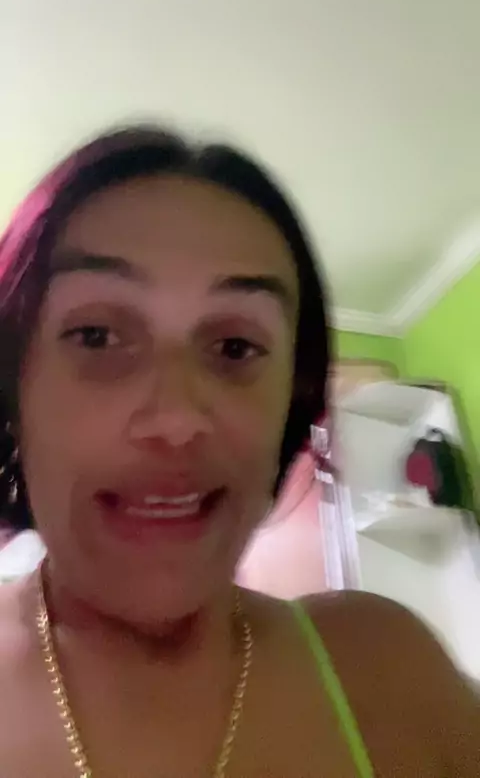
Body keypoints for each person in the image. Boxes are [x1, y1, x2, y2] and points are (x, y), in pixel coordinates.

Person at [0, 126, 477, 778]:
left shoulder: (389, 669)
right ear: (14, 392)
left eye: (235, 348)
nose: (176, 420)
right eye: (96, 336)